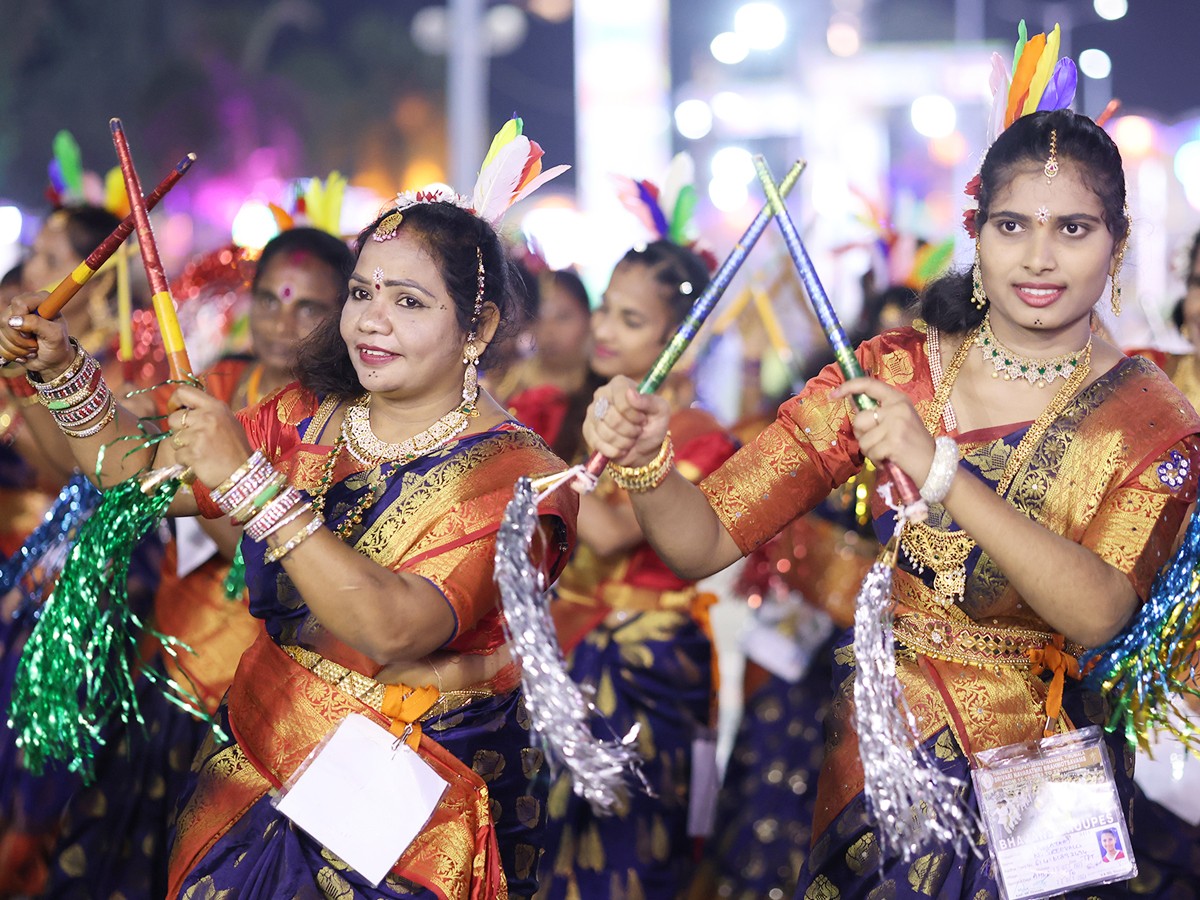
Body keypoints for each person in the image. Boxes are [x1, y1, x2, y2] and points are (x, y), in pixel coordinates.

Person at [582, 107, 1200, 898]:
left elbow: (1099, 612)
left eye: (1073, 229)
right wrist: (645, 466)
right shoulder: (892, 373)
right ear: (976, 233)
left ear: (1116, 241)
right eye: (1012, 226)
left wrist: (940, 473)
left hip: (1051, 779)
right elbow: (702, 541)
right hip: (887, 769)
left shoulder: (1152, 418)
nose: (1039, 258)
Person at [0, 194, 577, 898]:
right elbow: (130, 471)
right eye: (362, 292)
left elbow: (395, 625)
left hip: (410, 814)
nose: (370, 318)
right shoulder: (312, 413)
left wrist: (248, 481)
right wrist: (59, 369)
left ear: (477, 326)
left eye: (409, 301)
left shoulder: (521, 477)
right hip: (259, 761)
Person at [40, 226, 353, 900]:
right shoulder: (220, 383)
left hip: (261, 704)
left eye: (308, 308)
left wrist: (229, 489)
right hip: (169, 662)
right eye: (269, 300)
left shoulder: (343, 421)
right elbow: (119, 459)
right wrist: (53, 370)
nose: (281, 321)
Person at [516, 240, 739, 900]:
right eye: (606, 310)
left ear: (684, 343)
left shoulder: (699, 435)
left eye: (632, 320)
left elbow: (609, 534)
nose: (605, 329)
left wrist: (528, 464)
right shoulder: (571, 411)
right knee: (543, 838)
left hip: (645, 663)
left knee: (631, 843)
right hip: (567, 645)